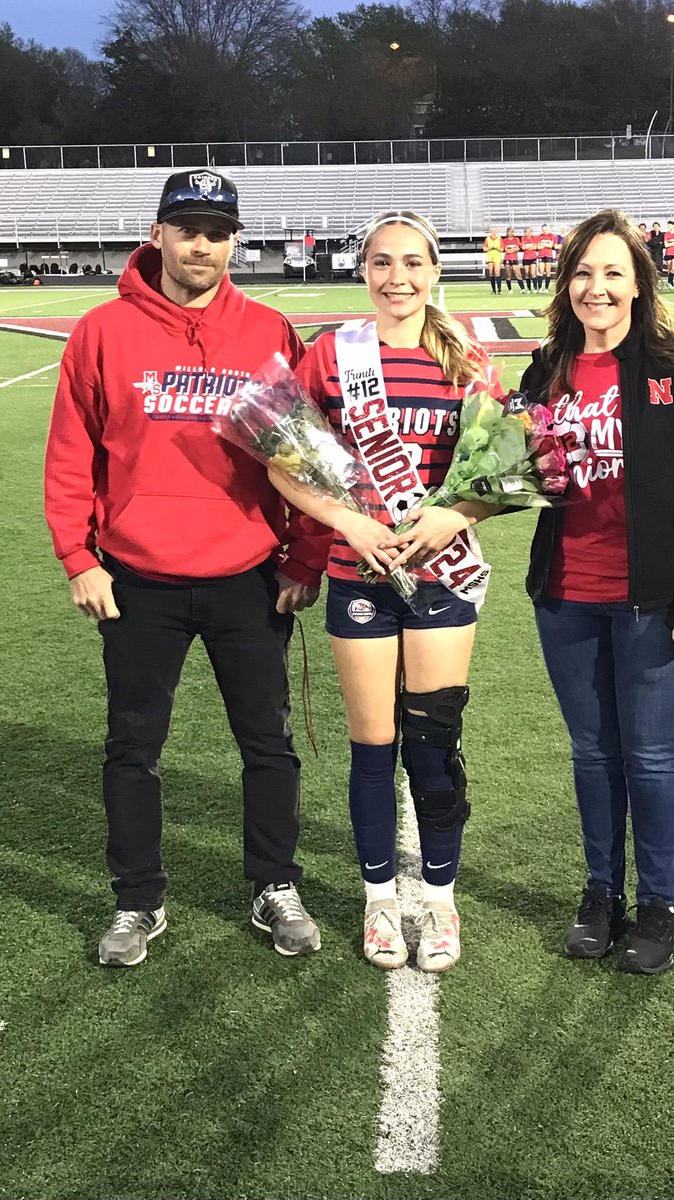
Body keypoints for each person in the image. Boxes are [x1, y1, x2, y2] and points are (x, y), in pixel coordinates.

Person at [44, 170, 327, 967]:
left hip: (248, 574)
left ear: (235, 241)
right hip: (138, 578)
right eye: (187, 228)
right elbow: (71, 456)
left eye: (217, 231)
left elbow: (303, 459)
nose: (201, 244)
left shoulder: (270, 330)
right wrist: (78, 556)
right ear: (158, 233)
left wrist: (305, 553)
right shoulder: (102, 331)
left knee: (266, 744)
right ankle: (137, 900)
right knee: (132, 748)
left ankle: (274, 885)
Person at [268, 210, 502, 973]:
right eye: (380, 262)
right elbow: (282, 459)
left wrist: (453, 514)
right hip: (356, 573)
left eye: (411, 263)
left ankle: (439, 899)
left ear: (434, 272)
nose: (396, 277)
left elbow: (500, 473)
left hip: (441, 576)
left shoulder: (468, 355)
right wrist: (347, 523)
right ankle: (377, 903)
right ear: (362, 271)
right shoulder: (334, 353)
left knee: (434, 746)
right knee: (373, 750)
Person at [517, 208, 674, 974]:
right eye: (583, 272)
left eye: (612, 272)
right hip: (567, 597)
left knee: (648, 755)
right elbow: (526, 479)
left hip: (651, 603)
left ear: (639, 282)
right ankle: (600, 894)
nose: (596, 288)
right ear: (565, 281)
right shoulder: (545, 371)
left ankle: (659, 905)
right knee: (592, 752)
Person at [502, 226, 523, 291]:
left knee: (518, 274)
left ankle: (522, 289)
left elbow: (518, 248)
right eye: (509, 232)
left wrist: (511, 249)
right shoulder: (504, 240)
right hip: (507, 258)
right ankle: (510, 289)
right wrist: (514, 249)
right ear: (507, 232)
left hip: (514, 258)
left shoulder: (516, 239)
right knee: (508, 274)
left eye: (512, 231)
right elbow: (507, 250)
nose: (510, 233)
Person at [484, 225, 503, 294]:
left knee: (497, 271)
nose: (493, 232)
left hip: (497, 256)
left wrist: (496, 248)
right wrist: (490, 248)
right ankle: (493, 289)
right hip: (490, 256)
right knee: (491, 273)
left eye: (495, 231)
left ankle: (499, 289)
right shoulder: (488, 238)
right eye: (492, 231)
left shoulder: (499, 238)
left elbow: (502, 249)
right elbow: (484, 248)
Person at [537, 224, 557, 290]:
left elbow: (550, 245)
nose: (545, 231)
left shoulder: (552, 236)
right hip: (541, 255)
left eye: (546, 229)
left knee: (548, 272)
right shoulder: (539, 236)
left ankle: (546, 288)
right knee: (541, 271)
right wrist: (546, 244)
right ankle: (539, 288)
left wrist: (542, 244)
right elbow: (538, 246)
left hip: (548, 255)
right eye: (543, 230)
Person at [663, 219, 674, 287]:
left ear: (673, 225)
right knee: (669, 268)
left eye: (670, 225)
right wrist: (673, 243)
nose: (669, 226)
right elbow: (666, 245)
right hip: (668, 253)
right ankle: (670, 282)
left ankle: (670, 281)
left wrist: (671, 243)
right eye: (668, 225)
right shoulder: (666, 234)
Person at [522, 226, 538, 290]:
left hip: (533, 257)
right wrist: (530, 246)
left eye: (529, 232)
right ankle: (529, 288)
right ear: (525, 233)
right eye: (527, 232)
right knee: (526, 272)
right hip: (526, 257)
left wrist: (527, 246)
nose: (528, 233)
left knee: (533, 273)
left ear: (531, 232)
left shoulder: (534, 238)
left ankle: (535, 288)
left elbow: (535, 247)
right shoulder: (523, 238)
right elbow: (523, 247)